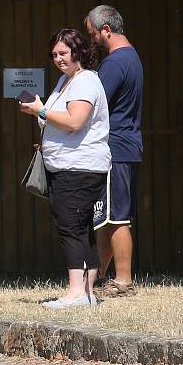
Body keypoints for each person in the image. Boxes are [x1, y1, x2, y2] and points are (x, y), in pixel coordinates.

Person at [18, 27, 110, 309]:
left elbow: (74, 121)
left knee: (71, 227)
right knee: (81, 227)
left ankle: (76, 293)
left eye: (63, 53)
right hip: (66, 166)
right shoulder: (65, 81)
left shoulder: (85, 82)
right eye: (54, 54)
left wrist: (40, 110)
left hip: (79, 168)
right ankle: (87, 292)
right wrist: (40, 110)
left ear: (78, 52)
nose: (58, 58)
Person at [85, 5, 144, 298]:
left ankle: (122, 281)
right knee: (106, 218)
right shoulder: (132, 57)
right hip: (128, 146)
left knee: (117, 218)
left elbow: (94, 103)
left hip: (115, 147)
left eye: (93, 34)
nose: (92, 40)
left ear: (106, 30)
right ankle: (97, 278)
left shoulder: (114, 63)